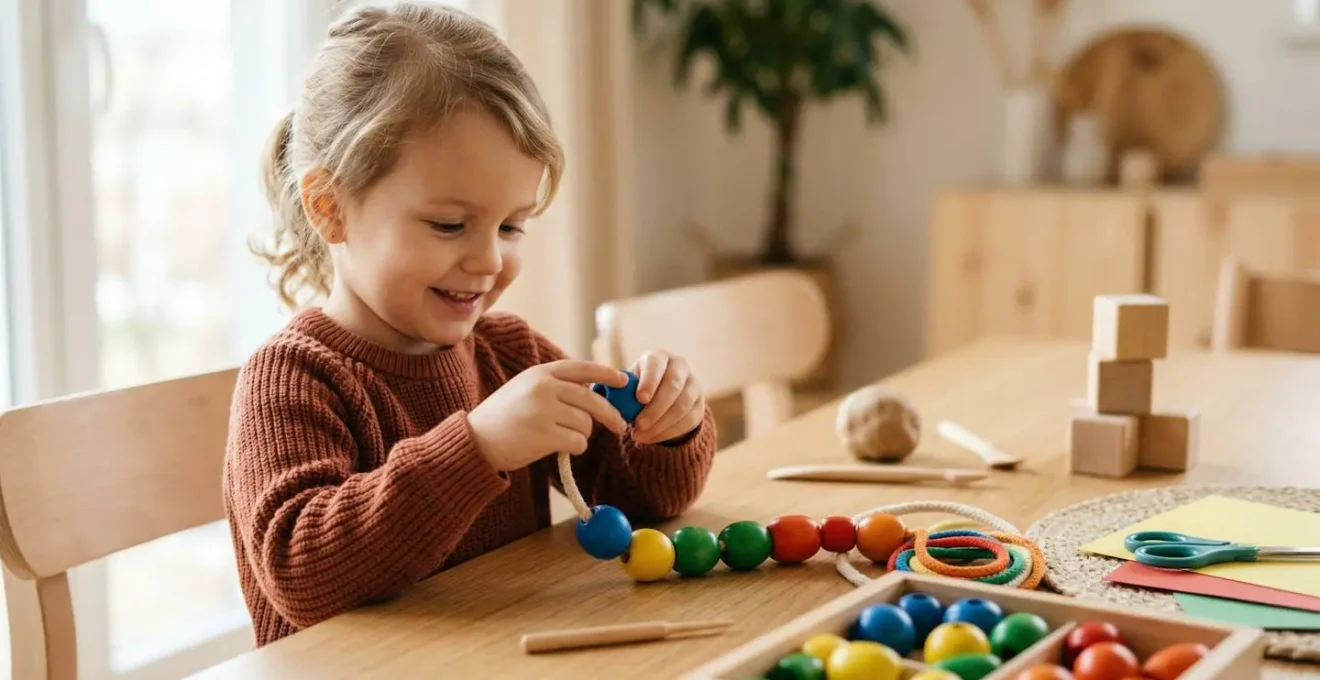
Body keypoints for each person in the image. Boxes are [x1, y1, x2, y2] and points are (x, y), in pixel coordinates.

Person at [223, 2, 717, 647]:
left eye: (512, 225)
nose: (489, 260)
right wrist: (477, 449)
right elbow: (302, 573)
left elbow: (647, 501)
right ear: (330, 208)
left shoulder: (510, 354)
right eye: (449, 225)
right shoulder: (293, 376)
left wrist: (667, 431)